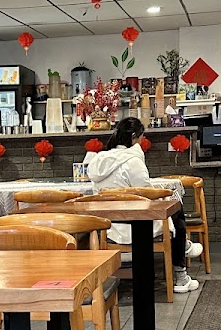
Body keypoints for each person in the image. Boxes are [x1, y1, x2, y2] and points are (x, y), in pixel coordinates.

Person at [84, 117, 203, 294]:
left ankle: (184, 248)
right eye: (141, 137)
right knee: (175, 207)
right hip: (138, 227)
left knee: (172, 210)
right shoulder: (133, 161)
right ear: (134, 137)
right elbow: (147, 195)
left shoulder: (98, 161)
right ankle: (181, 275)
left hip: (109, 228)